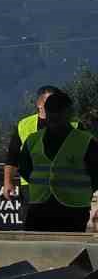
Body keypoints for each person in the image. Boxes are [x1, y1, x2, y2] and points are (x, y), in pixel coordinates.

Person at [15, 90, 98, 232]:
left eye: (59, 111)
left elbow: (96, 174)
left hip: (73, 209)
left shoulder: (86, 141)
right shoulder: (33, 140)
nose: (55, 115)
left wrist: (84, 192)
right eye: (51, 111)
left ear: (69, 113)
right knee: (36, 251)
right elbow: (24, 168)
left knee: (69, 250)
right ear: (46, 112)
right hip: (39, 207)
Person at [2, 85, 81, 198]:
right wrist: (7, 182)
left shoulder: (75, 126)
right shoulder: (24, 125)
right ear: (39, 104)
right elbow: (12, 157)